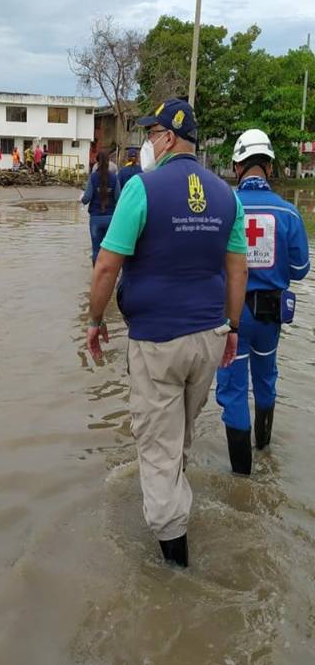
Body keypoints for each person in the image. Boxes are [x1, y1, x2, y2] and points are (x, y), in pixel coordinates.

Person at [86, 98, 248, 568]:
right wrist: (232, 328)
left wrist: (94, 321)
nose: (148, 142)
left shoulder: (142, 188)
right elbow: (237, 271)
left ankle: (176, 569)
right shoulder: (227, 196)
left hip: (158, 341)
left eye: (152, 134)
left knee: (157, 448)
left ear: (169, 138)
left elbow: (106, 266)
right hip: (209, 335)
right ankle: (175, 505)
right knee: (180, 436)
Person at [215, 129, 310, 474]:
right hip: (270, 316)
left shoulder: (225, 207)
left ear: (236, 166)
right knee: (266, 379)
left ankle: (241, 478)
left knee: (233, 388)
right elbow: (300, 269)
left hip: (232, 316)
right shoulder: (289, 213)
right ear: (269, 167)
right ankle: (264, 448)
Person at [80, 149, 121, 265]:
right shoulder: (114, 178)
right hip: (110, 219)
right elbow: (119, 198)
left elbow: (87, 198)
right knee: (109, 250)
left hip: (95, 219)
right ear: (109, 162)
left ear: (97, 162)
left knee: (96, 250)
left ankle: (96, 274)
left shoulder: (93, 177)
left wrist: (81, 198)